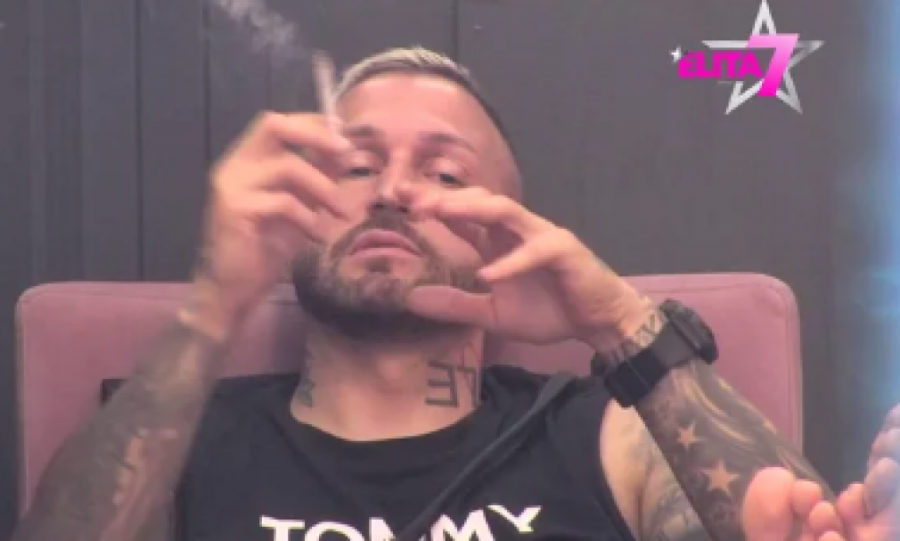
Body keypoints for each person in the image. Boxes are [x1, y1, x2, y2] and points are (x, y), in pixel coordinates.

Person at [10, 47, 899, 541]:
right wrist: (213, 303)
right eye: (355, 166)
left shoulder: (610, 433)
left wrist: (620, 321)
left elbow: (793, 532)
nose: (394, 191)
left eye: (443, 173)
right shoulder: (180, 436)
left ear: (505, 228)